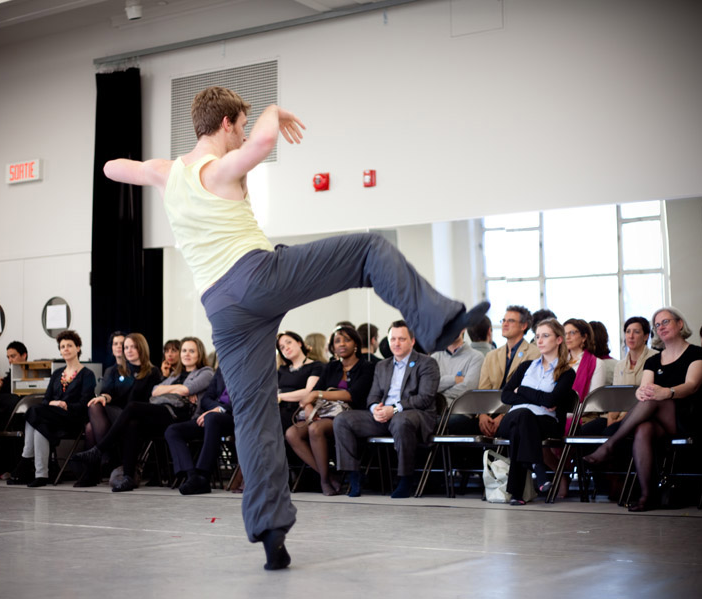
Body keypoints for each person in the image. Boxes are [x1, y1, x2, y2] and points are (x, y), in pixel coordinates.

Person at [103, 86, 485, 570]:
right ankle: (439, 320)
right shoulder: (220, 168)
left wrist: (154, 170)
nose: (243, 132)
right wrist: (270, 110)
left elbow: (113, 167)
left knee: (255, 416)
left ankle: (269, 532)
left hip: (221, 310)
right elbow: (260, 145)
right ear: (225, 124)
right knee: (368, 251)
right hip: (256, 277)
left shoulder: (169, 173)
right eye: (238, 124)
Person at [585, 307, 702, 511]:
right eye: (657, 325)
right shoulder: (654, 360)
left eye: (666, 322)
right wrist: (641, 393)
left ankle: (610, 445)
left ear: (680, 324)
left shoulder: (696, 353)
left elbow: (691, 386)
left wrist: (666, 392)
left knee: (654, 397)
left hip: (689, 416)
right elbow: (644, 389)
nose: (661, 327)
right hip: (659, 420)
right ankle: (647, 496)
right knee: (644, 429)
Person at [72, 336, 214, 492]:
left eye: (191, 351)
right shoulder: (175, 375)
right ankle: (127, 477)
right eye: (184, 350)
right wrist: (177, 389)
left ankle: (99, 450)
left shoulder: (206, 372)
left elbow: (186, 390)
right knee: (133, 423)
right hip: (164, 413)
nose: (186, 354)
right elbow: (155, 391)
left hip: (181, 415)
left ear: (199, 353)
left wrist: (178, 390)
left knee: (133, 407)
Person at [334, 321, 440, 499]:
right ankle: (354, 476)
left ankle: (405, 479)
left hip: (414, 414)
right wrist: (376, 409)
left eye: (401, 339)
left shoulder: (427, 363)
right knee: (342, 420)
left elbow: (425, 398)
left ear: (412, 341)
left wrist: (395, 409)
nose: (396, 343)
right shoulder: (382, 365)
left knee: (401, 420)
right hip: (384, 416)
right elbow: (373, 396)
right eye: (393, 339)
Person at [285, 325, 375, 496]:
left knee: (315, 428)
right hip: (326, 414)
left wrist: (317, 395)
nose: (341, 344)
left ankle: (324, 481)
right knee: (292, 433)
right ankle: (329, 476)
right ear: (332, 347)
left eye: (346, 340)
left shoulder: (366, 367)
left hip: (351, 415)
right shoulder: (331, 367)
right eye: (337, 341)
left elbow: (352, 395)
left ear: (355, 344)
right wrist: (310, 408)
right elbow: (312, 394)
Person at [498, 318, 576, 504]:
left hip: (546, 423)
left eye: (545, 336)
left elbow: (551, 400)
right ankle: (536, 465)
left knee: (522, 425)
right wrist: (539, 398)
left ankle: (518, 493)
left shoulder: (566, 372)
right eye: (537, 336)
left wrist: (523, 391)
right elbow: (506, 395)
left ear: (558, 340)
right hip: (514, 420)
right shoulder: (526, 367)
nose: (539, 341)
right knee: (522, 418)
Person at [7, 330, 96, 487]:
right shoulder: (56, 374)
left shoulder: (87, 374)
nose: (66, 349)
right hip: (52, 417)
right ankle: (41, 475)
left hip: (73, 417)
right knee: (40, 424)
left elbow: (84, 403)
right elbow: (47, 399)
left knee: (33, 413)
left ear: (78, 348)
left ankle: (26, 457)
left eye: (69, 345)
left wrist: (65, 405)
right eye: (62, 346)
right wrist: (53, 404)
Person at [77, 333, 161, 487]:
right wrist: (104, 397)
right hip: (117, 413)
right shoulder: (117, 370)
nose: (128, 350)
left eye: (133, 347)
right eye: (126, 347)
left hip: (138, 417)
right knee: (95, 405)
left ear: (141, 348)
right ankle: (103, 458)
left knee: (90, 428)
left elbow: (151, 401)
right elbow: (108, 393)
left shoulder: (152, 372)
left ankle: (100, 460)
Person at [582, 316, 658, 437]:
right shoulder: (620, 365)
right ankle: (585, 457)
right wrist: (611, 418)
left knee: (609, 433)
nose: (631, 336)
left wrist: (620, 419)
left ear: (646, 336)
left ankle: (601, 456)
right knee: (584, 432)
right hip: (618, 413)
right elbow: (616, 397)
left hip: (640, 415)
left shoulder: (656, 359)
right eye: (628, 331)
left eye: (636, 332)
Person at [165, 367, 235, 495]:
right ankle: (192, 476)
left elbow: (245, 398)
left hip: (235, 417)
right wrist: (215, 409)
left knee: (211, 418)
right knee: (173, 431)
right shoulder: (222, 369)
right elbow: (206, 398)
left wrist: (220, 410)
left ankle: (204, 476)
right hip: (211, 416)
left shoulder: (247, 367)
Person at [477, 306, 540, 436]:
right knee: (460, 426)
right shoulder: (491, 355)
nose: (504, 324)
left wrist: (504, 415)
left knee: (513, 424)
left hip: (517, 410)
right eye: (503, 320)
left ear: (523, 326)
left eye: (510, 321)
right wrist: (482, 414)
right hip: (490, 412)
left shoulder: (535, 354)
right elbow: (483, 390)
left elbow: (527, 392)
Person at [432, 329, 484, 433]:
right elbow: (429, 387)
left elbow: (468, 389)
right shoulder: (434, 357)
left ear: (462, 328)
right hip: (436, 410)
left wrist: (440, 390)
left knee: (434, 424)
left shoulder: (476, 357)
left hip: (461, 412)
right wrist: (454, 379)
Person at [276, 331, 323, 431]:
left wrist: (279, 397)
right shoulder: (281, 369)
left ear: (299, 343)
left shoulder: (316, 366)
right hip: (277, 409)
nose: (286, 348)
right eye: (282, 347)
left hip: (298, 409)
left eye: (289, 342)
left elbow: (309, 392)